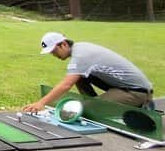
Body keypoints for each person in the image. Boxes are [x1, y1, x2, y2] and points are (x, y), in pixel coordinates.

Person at [23, 32, 154, 113]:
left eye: (54, 51)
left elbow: (65, 85)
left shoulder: (81, 55)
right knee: (79, 77)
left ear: (63, 44)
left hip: (136, 92)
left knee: (82, 110)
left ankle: (140, 105)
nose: (54, 55)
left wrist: (41, 103)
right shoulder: (80, 48)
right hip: (121, 87)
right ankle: (94, 103)